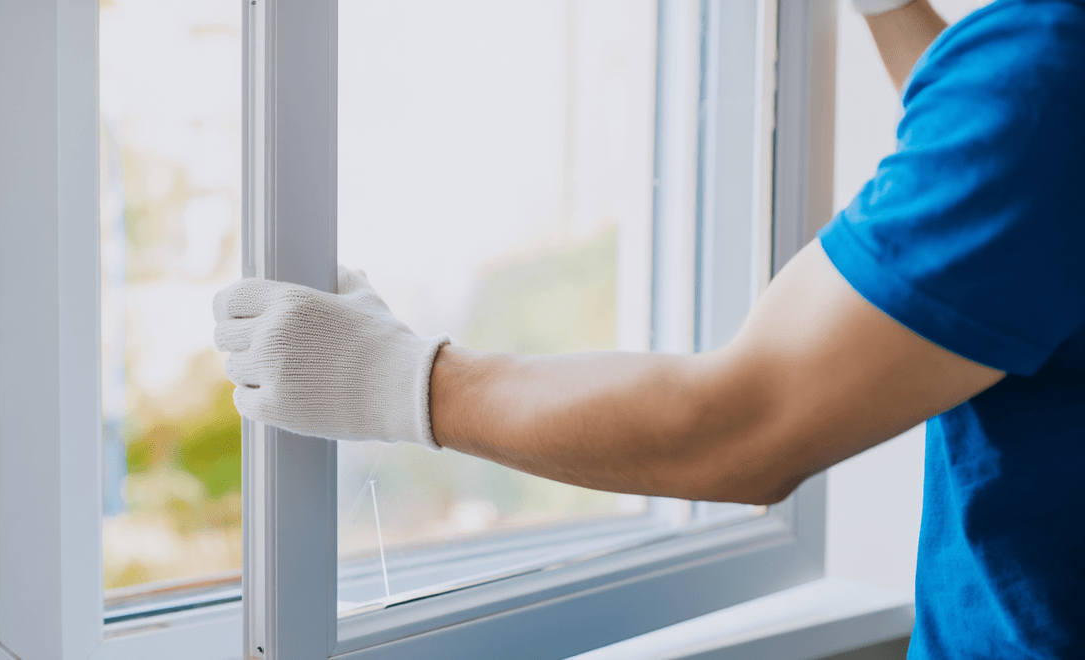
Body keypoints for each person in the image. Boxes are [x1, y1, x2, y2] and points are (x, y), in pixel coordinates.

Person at [212, 0, 1084, 656]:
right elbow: (1021, 200)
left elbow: (737, 428)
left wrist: (403, 380)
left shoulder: (1047, 68)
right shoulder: (1043, 77)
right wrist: (892, 13)